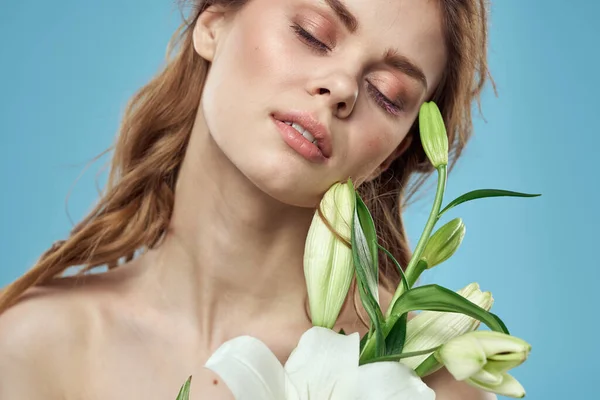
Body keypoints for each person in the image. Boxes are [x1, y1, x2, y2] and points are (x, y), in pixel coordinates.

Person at [0, 0, 496, 398]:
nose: (342, 87)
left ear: (392, 154)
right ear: (214, 21)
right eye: (312, 33)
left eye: (387, 94)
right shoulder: (29, 347)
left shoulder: (427, 377)